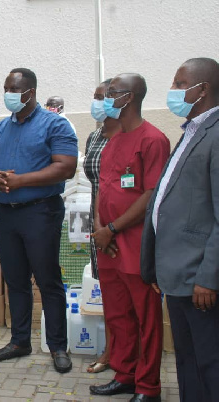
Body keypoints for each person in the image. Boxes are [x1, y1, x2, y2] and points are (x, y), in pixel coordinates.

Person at [0, 68, 77, 373]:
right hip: (6, 214)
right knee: (16, 280)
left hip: (41, 212)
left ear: (30, 92)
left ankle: (58, 346)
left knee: (48, 281)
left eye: (13, 89)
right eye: (6, 87)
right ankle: (20, 341)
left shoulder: (55, 124)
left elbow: (66, 168)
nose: (8, 93)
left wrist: (21, 181)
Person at [141, 57, 219, 402]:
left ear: (202, 89)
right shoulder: (191, 132)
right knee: (187, 362)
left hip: (199, 278)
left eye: (179, 84)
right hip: (177, 272)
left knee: (210, 363)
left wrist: (209, 277)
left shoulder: (216, 135)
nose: (172, 91)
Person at [90, 73, 169, 402]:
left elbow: (151, 194)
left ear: (130, 97)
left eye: (112, 92)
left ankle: (148, 387)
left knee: (145, 318)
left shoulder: (153, 140)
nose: (106, 98)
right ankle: (125, 375)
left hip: (134, 244)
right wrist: (99, 229)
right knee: (118, 314)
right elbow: (103, 188)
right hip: (107, 246)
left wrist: (113, 228)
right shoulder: (112, 140)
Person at [83, 79, 120, 374]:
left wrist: (111, 228)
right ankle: (112, 349)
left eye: (102, 97)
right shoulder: (95, 136)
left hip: (121, 224)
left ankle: (124, 354)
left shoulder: (124, 135)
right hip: (96, 220)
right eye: (94, 96)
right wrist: (97, 227)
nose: (97, 102)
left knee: (127, 296)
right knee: (107, 292)